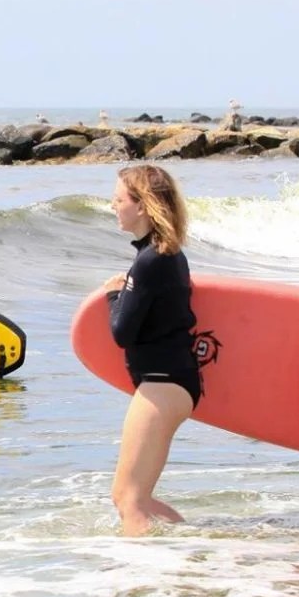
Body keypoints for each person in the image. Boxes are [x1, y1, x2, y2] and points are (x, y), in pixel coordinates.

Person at [99, 164, 200, 536]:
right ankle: (193, 544)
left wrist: (113, 295)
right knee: (127, 497)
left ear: (141, 206)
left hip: (162, 383)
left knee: (130, 500)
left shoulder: (151, 261)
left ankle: (141, 577)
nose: (113, 206)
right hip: (171, 382)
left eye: (119, 199)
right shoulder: (165, 255)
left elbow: (122, 332)